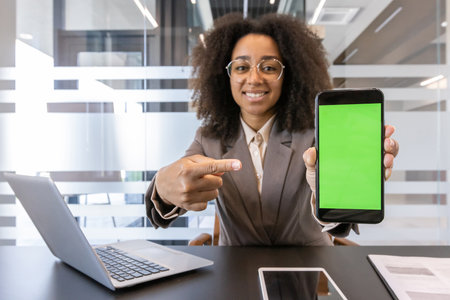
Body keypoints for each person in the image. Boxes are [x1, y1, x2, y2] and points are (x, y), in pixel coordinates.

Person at [144, 13, 399, 246]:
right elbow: (180, 180)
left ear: (288, 76)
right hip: (236, 278)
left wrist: (342, 190)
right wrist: (164, 189)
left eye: (269, 67)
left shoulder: (315, 134)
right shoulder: (209, 139)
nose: (254, 79)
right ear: (226, 76)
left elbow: (340, 222)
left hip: (305, 274)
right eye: (242, 67)